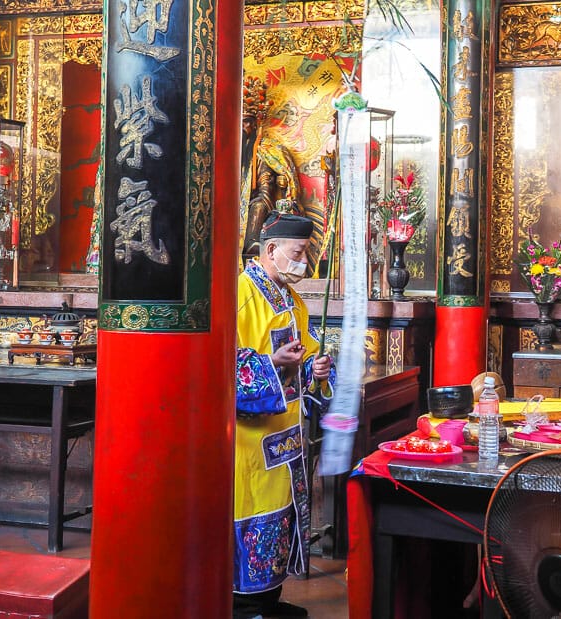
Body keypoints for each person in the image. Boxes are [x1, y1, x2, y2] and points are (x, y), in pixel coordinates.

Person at [234, 211, 336, 619]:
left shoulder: (291, 300)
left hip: (286, 441)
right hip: (252, 445)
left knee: (282, 521)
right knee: (253, 520)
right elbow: (225, 364)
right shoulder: (240, 295)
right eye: (299, 252)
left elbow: (304, 360)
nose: (304, 262)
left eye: (307, 253)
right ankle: (243, 605)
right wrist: (272, 363)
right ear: (270, 250)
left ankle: (268, 601)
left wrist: (316, 370)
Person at [240, 77, 301, 263]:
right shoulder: (226, 150)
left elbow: (265, 187)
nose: (243, 127)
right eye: (240, 122)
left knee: (258, 205)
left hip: (254, 200)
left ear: (256, 123)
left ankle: (252, 243)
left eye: (247, 122)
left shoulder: (264, 150)